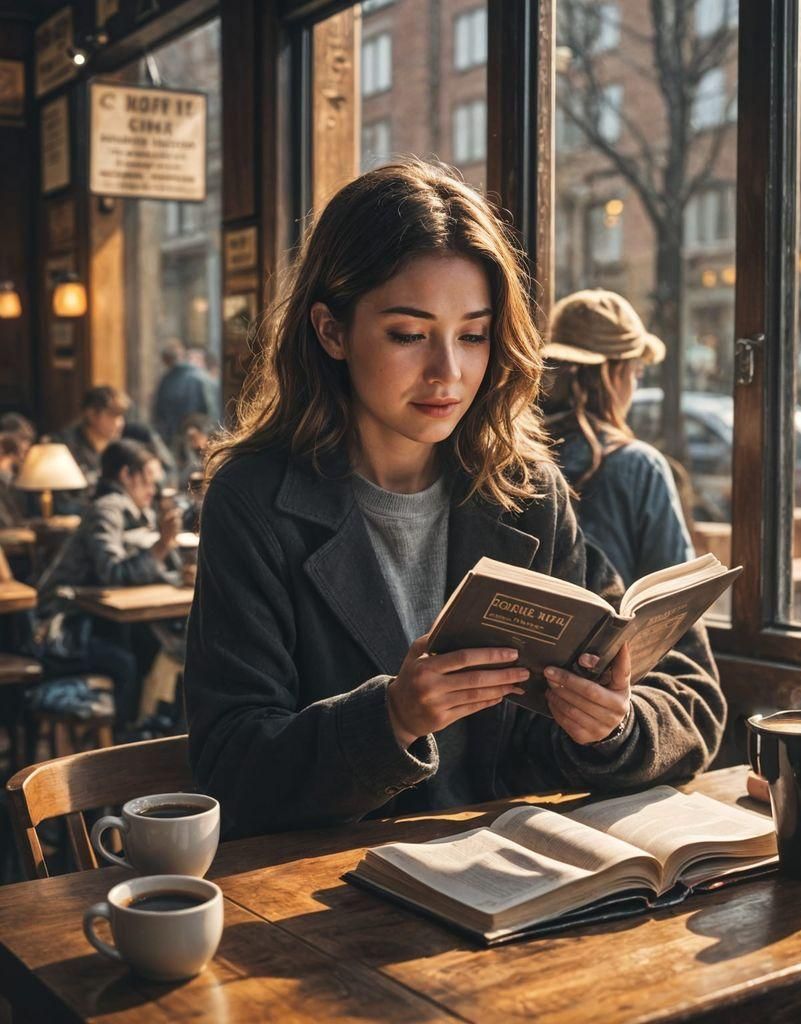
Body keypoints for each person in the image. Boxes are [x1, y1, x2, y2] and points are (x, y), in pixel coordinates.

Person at [185, 160, 726, 840]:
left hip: (512, 885)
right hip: (325, 906)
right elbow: (228, 769)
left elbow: (691, 702)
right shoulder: (255, 500)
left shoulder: (524, 490)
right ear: (330, 332)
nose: (449, 372)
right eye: (410, 335)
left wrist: (611, 729)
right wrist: (392, 720)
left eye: (473, 334)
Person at [542, 289, 695, 587]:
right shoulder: (638, 465)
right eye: (636, 372)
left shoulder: (515, 451)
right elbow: (676, 595)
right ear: (615, 375)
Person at [33, 439, 189, 732]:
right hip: (65, 627)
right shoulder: (108, 508)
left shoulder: (137, 512)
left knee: (158, 647)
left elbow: (140, 572)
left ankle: (153, 731)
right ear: (126, 475)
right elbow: (113, 573)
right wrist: (161, 547)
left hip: (100, 621)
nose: (153, 490)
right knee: (129, 663)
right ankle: (125, 744)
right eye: (146, 481)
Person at [57, 385, 130, 513]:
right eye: (112, 416)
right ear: (91, 414)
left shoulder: (118, 448)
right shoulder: (66, 447)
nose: (119, 423)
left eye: (121, 417)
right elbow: (62, 502)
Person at [153, 338, 218, 446]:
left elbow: (159, 415)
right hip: (202, 438)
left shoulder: (165, 381)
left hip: (177, 440)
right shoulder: (203, 377)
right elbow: (213, 412)